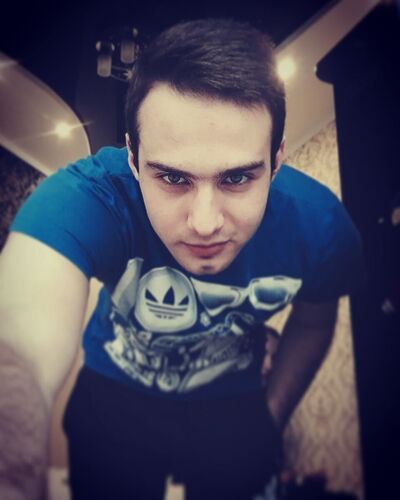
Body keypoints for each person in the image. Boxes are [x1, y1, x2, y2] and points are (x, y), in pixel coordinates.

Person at [0, 18, 365, 500]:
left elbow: (315, 322)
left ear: (276, 161)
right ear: (133, 160)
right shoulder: (86, 197)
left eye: (237, 178)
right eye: (173, 178)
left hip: (233, 403)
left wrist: (271, 413)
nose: (205, 222)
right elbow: (18, 348)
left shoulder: (322, 226)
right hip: (114, 399)